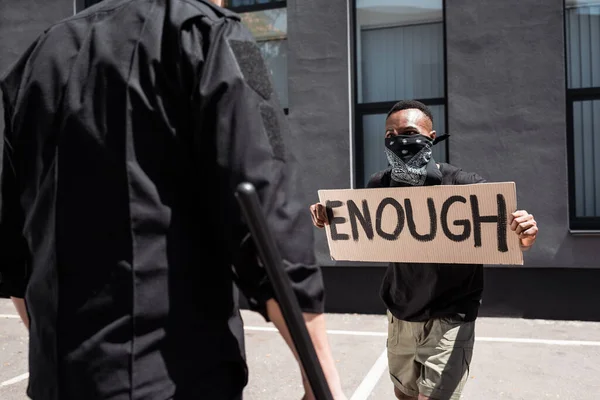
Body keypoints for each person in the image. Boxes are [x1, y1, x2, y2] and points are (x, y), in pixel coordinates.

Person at [0, 0, 346, 399]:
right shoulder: (205, 32)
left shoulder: (36, 59)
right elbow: (266, 211)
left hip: (58, 381)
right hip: (175, 378)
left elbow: (14, 248)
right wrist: (319, 375)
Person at [310, 100, 538, 400]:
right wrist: (327, 215)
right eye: (390, 135)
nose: (398, 140)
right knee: (403, 394)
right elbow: (361, 226)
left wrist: (525, 233)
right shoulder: (379, 185)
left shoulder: (462, 185)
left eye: (408, 132)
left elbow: (508, 233)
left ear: (431, 137)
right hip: (401, 311)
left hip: (450, 316)